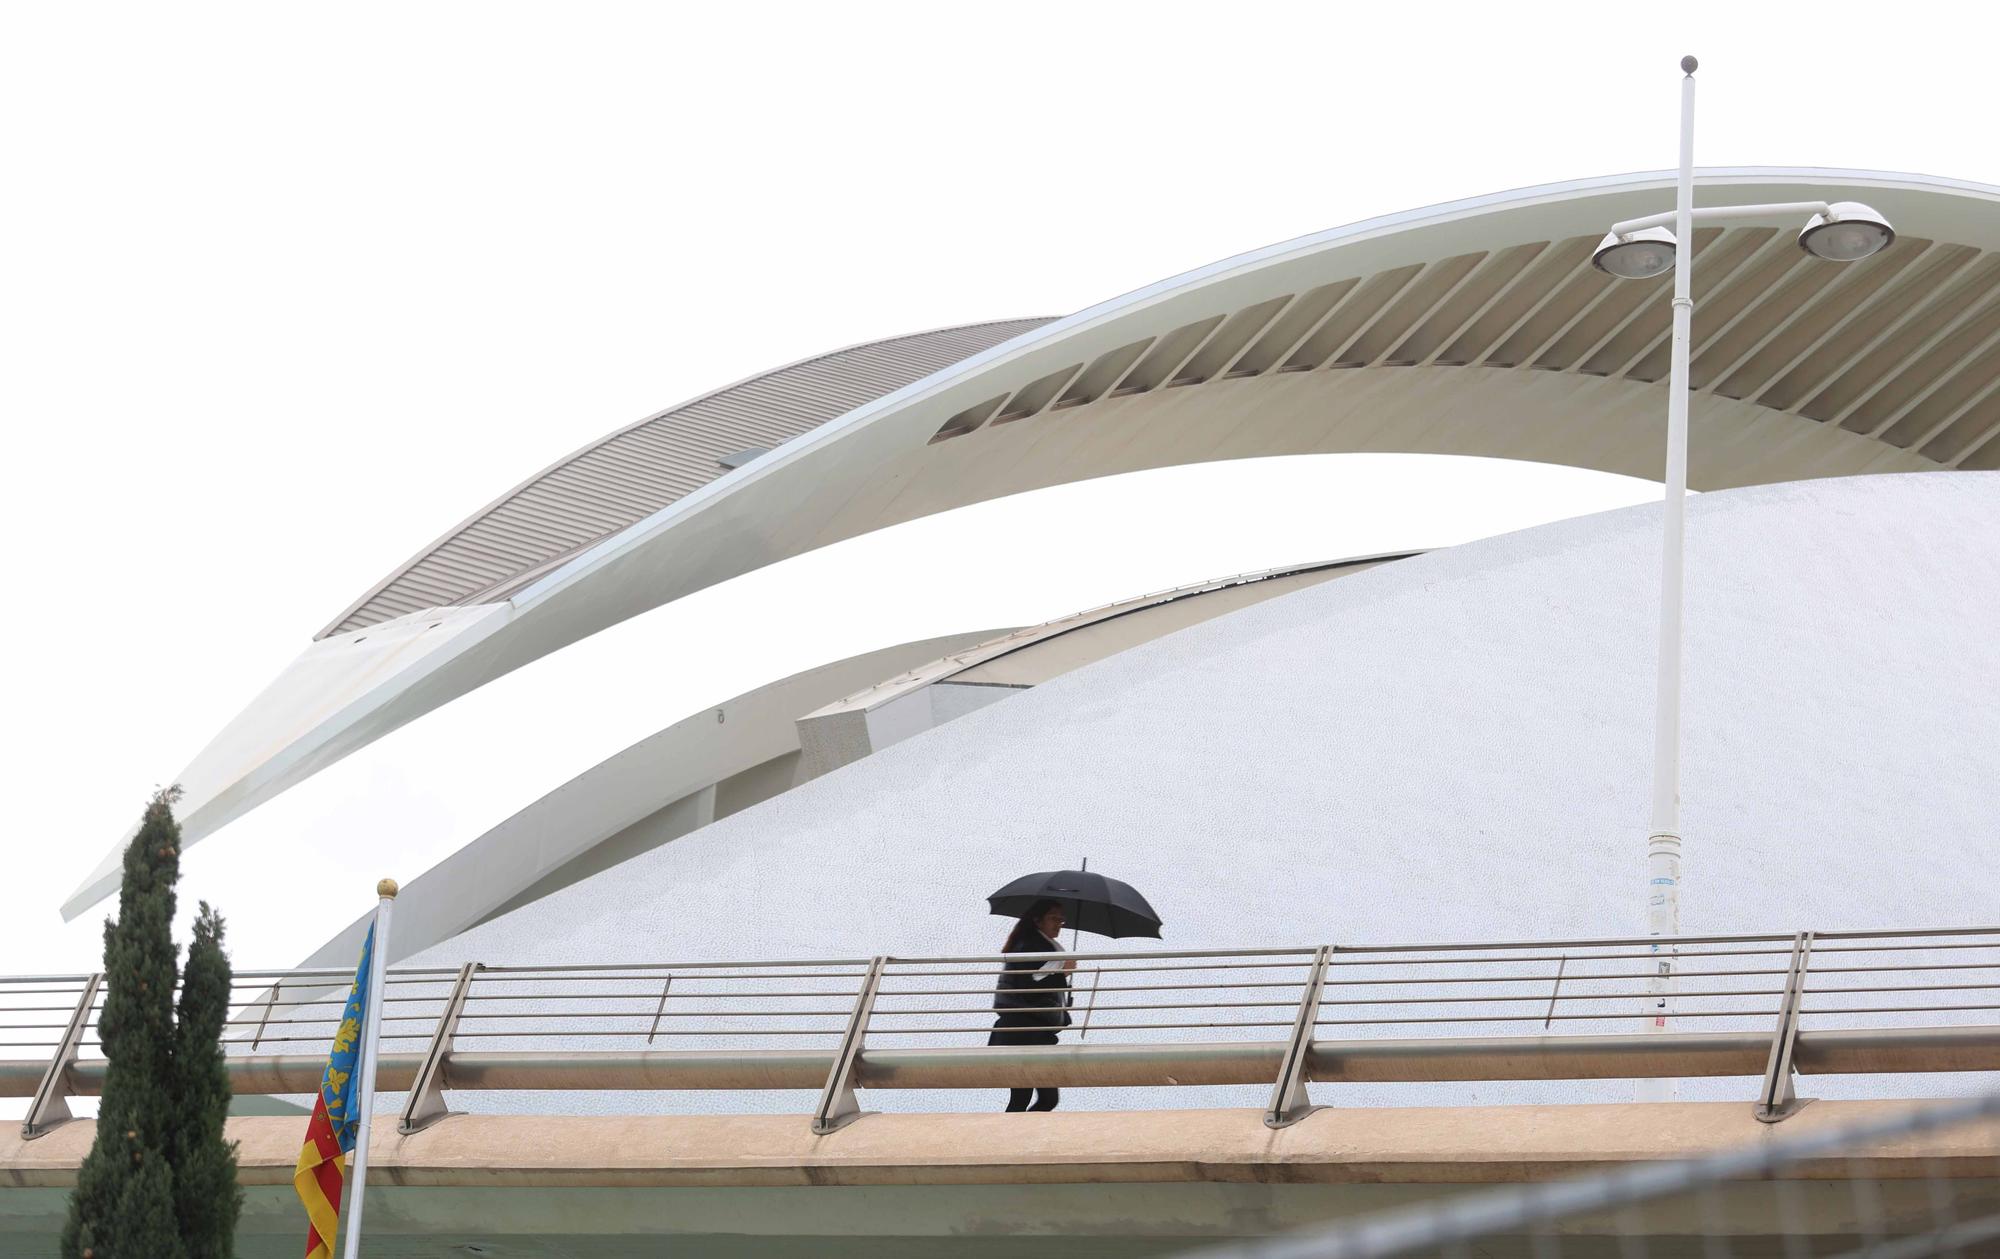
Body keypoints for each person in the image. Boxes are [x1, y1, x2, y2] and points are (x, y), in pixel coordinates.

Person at [987, 898, 1074, 1112]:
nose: (1059, 924)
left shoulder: (1040, 946)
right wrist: (1062, 972)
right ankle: (1008, 1140)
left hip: (1029, 1032)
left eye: (1061, 920)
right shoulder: (1031, 946)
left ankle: (1011, 1138)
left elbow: (1038, 981)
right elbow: (1028, 985)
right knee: (1036, 1097)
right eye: (1054, 918)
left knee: (1029, 1097)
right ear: (1038, 920)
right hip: (1023, 1032)